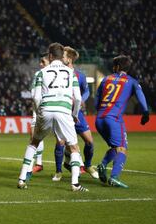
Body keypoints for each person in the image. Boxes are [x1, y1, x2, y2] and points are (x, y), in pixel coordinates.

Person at [17, 43, 88, 192]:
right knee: (74, 147)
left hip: (46, 110)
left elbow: (36, 97)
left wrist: (40, 113)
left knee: (34, 142)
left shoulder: (40, 73)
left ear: (50, 56)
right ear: (62, 56)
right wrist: (74, 115)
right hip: (63, 111)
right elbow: (77, 98)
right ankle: (75, 184)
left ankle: (22, 178)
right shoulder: (71, 73)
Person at [95, 55, 149, 188]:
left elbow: (97, 101)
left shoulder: (106, 79)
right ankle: (114, 177)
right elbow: (141, 96)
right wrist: (146, 112)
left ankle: (102, 165)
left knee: (115, 147)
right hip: (114, 119)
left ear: (117, 67)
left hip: (99, 119)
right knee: (122, 149)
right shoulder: (131, 81)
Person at [52, 46, 99, 181]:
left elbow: (86, 91)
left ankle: (88, 165)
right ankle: (58, 171)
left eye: (64, 56)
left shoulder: (80, 76)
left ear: (70, 59)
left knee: (89, 141)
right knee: (60, 142)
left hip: (77, 113)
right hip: (62, 111)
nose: (61, 58)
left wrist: (82, 100)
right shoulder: (59, 73)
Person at [28, 55, 50, 177]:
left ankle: (76, 165)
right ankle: (38, 164)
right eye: (40, 61)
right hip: (39, 108)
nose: (41, 64)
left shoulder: (46, 74)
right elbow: (33, 92)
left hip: (46, 108)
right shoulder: (39, 74)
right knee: (34, 136)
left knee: (62, 139)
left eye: (43, 61)